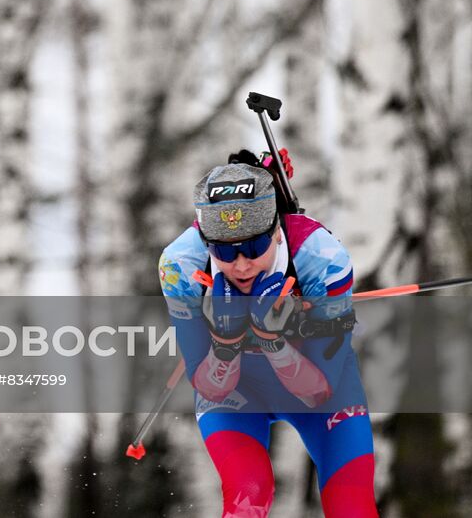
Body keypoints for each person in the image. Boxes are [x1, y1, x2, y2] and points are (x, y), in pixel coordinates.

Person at [158, 151, 377, 517]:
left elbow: (318, 389)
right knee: (248, 496)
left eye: (254, 247)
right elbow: (209, 387)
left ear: (276, 231)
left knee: (350, 505)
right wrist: (226, 344)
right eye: (224, 251)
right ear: (207, 242)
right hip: (237, 395)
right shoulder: (180, 266)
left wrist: (274, 342)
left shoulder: (321, 258)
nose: (241, 264)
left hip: (322, 389)